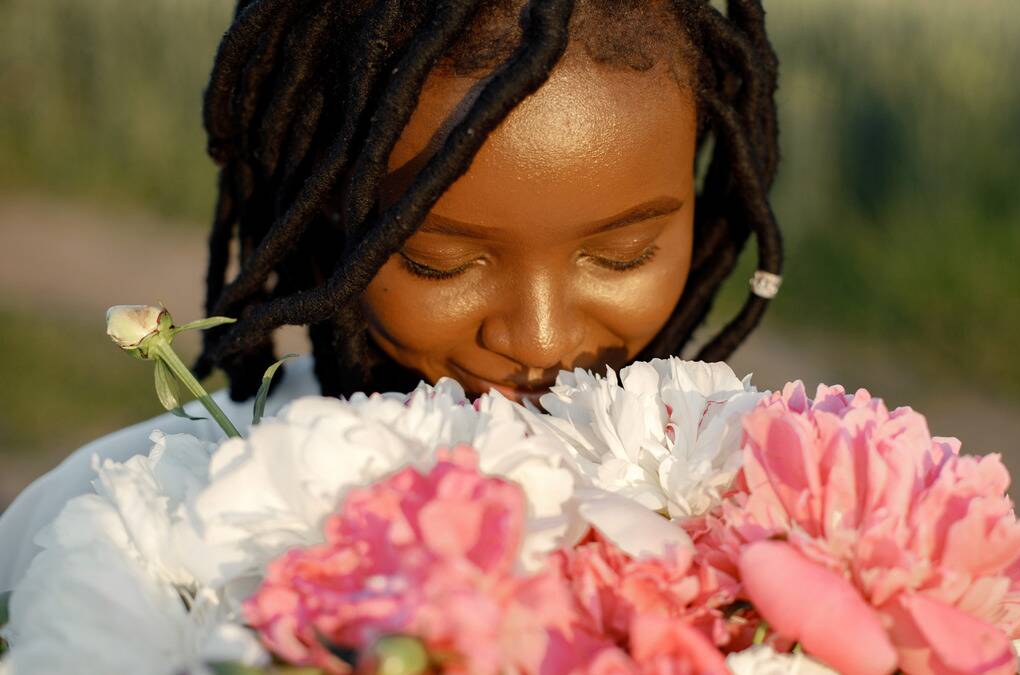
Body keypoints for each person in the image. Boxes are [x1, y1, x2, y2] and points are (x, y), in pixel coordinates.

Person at [0, 0, 783, 591]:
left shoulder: (776, 502)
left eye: (622, 254)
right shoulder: (119, 525)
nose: (540, 339)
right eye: (441, 263)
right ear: (324, 217)